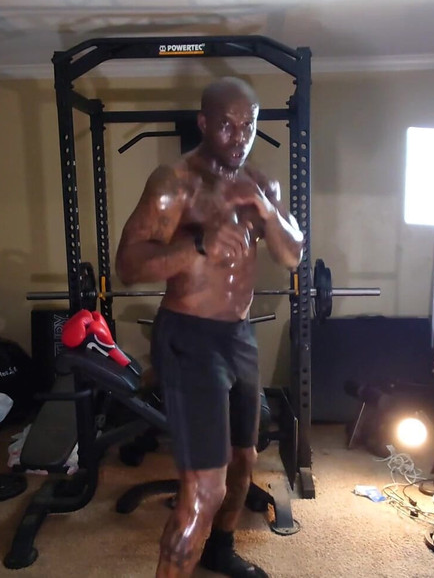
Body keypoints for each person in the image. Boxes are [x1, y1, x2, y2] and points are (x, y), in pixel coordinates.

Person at [115, 77, 304, 578]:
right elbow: (128, 265)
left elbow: (292, 254)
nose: (239, 137)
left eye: (248, 126)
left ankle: (219, 551)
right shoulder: (174, 183)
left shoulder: (260, 184)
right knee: (205, 490)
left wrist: (265, 210)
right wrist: (197, 245)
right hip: (189, 336)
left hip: (238, 337)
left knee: (244, 462)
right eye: (227, 125)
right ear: (203, 123)